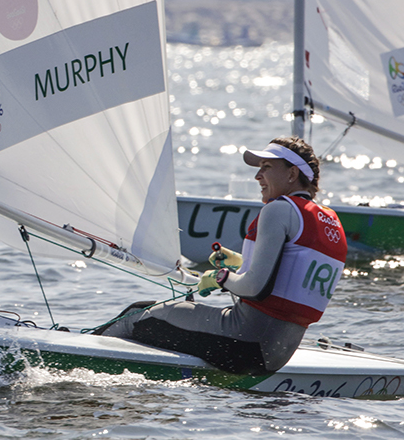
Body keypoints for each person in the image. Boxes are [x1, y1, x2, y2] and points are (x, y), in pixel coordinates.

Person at [97, 137, 347, 374]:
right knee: (152, 312)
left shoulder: (279, 209)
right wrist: (241, 262)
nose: (257, 176)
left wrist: (221, 275)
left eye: (267, 167)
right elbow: (290, 274)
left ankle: (74, 356)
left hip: (243, 342)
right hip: (277, 355)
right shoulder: (330, 221)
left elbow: (253, 288)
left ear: (292, 174)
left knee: (136, 315)